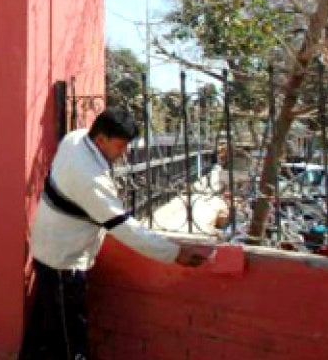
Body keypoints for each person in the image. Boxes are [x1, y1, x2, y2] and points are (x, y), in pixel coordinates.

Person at [19, 108, 213, 360]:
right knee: (69, 342)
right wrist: (174, 254)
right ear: (101, 140)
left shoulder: (75, 139)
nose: (124, 153)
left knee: (42, 333)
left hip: (47, 249)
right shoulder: (91, 179)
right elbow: (124, 228)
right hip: (64, 264)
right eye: (120, 146)